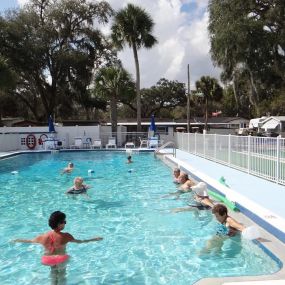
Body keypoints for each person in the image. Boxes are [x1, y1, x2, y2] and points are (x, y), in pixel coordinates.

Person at [13, 211, 103, 284]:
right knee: (62, 275)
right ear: (59, 224)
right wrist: (94, 239)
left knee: (53, 273)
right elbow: (80, 241)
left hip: (47, 259)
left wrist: (17, 240)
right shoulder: (66, 236)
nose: (65, 224)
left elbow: (30, 241)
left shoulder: (42, 236)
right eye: (64, 222)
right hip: (60, 258)